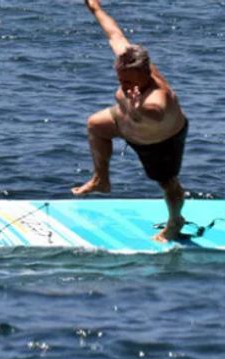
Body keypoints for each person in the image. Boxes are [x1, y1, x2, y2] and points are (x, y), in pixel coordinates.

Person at [74, 0, 189, 242]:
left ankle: (175, 221)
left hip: (159, 140)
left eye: (130, 82)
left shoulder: (159, 97)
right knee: (96, 125)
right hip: (127, 122)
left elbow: (155, 115)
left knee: (168, 183)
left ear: (146, 74)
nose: (125, 86)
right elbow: (114, 33)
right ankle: (100, 180)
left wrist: (137, 110)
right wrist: (94, 8)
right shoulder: (128, 61)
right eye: (121, 80)